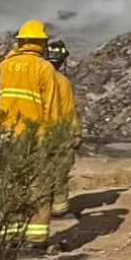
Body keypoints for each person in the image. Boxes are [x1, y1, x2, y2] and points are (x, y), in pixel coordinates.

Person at [0, 20, 64, 248]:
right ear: (42, 43)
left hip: (6, 135)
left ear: (21, 42)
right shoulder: (45, 69)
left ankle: (12, 236)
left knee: (12, 185)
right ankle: (36, 239)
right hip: (35, 137)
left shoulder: (6, 66)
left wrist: (15, 51)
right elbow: (52, 108)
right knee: (38, 188)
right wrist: (56, 139)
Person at [45, 38, 81, 219]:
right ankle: (59, 210)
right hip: (58, 134)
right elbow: (68, 112)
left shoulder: (36, 79)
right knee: (59, 172)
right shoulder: (62, 81)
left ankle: (39, 208)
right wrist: (75, 134)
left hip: (36, 133)